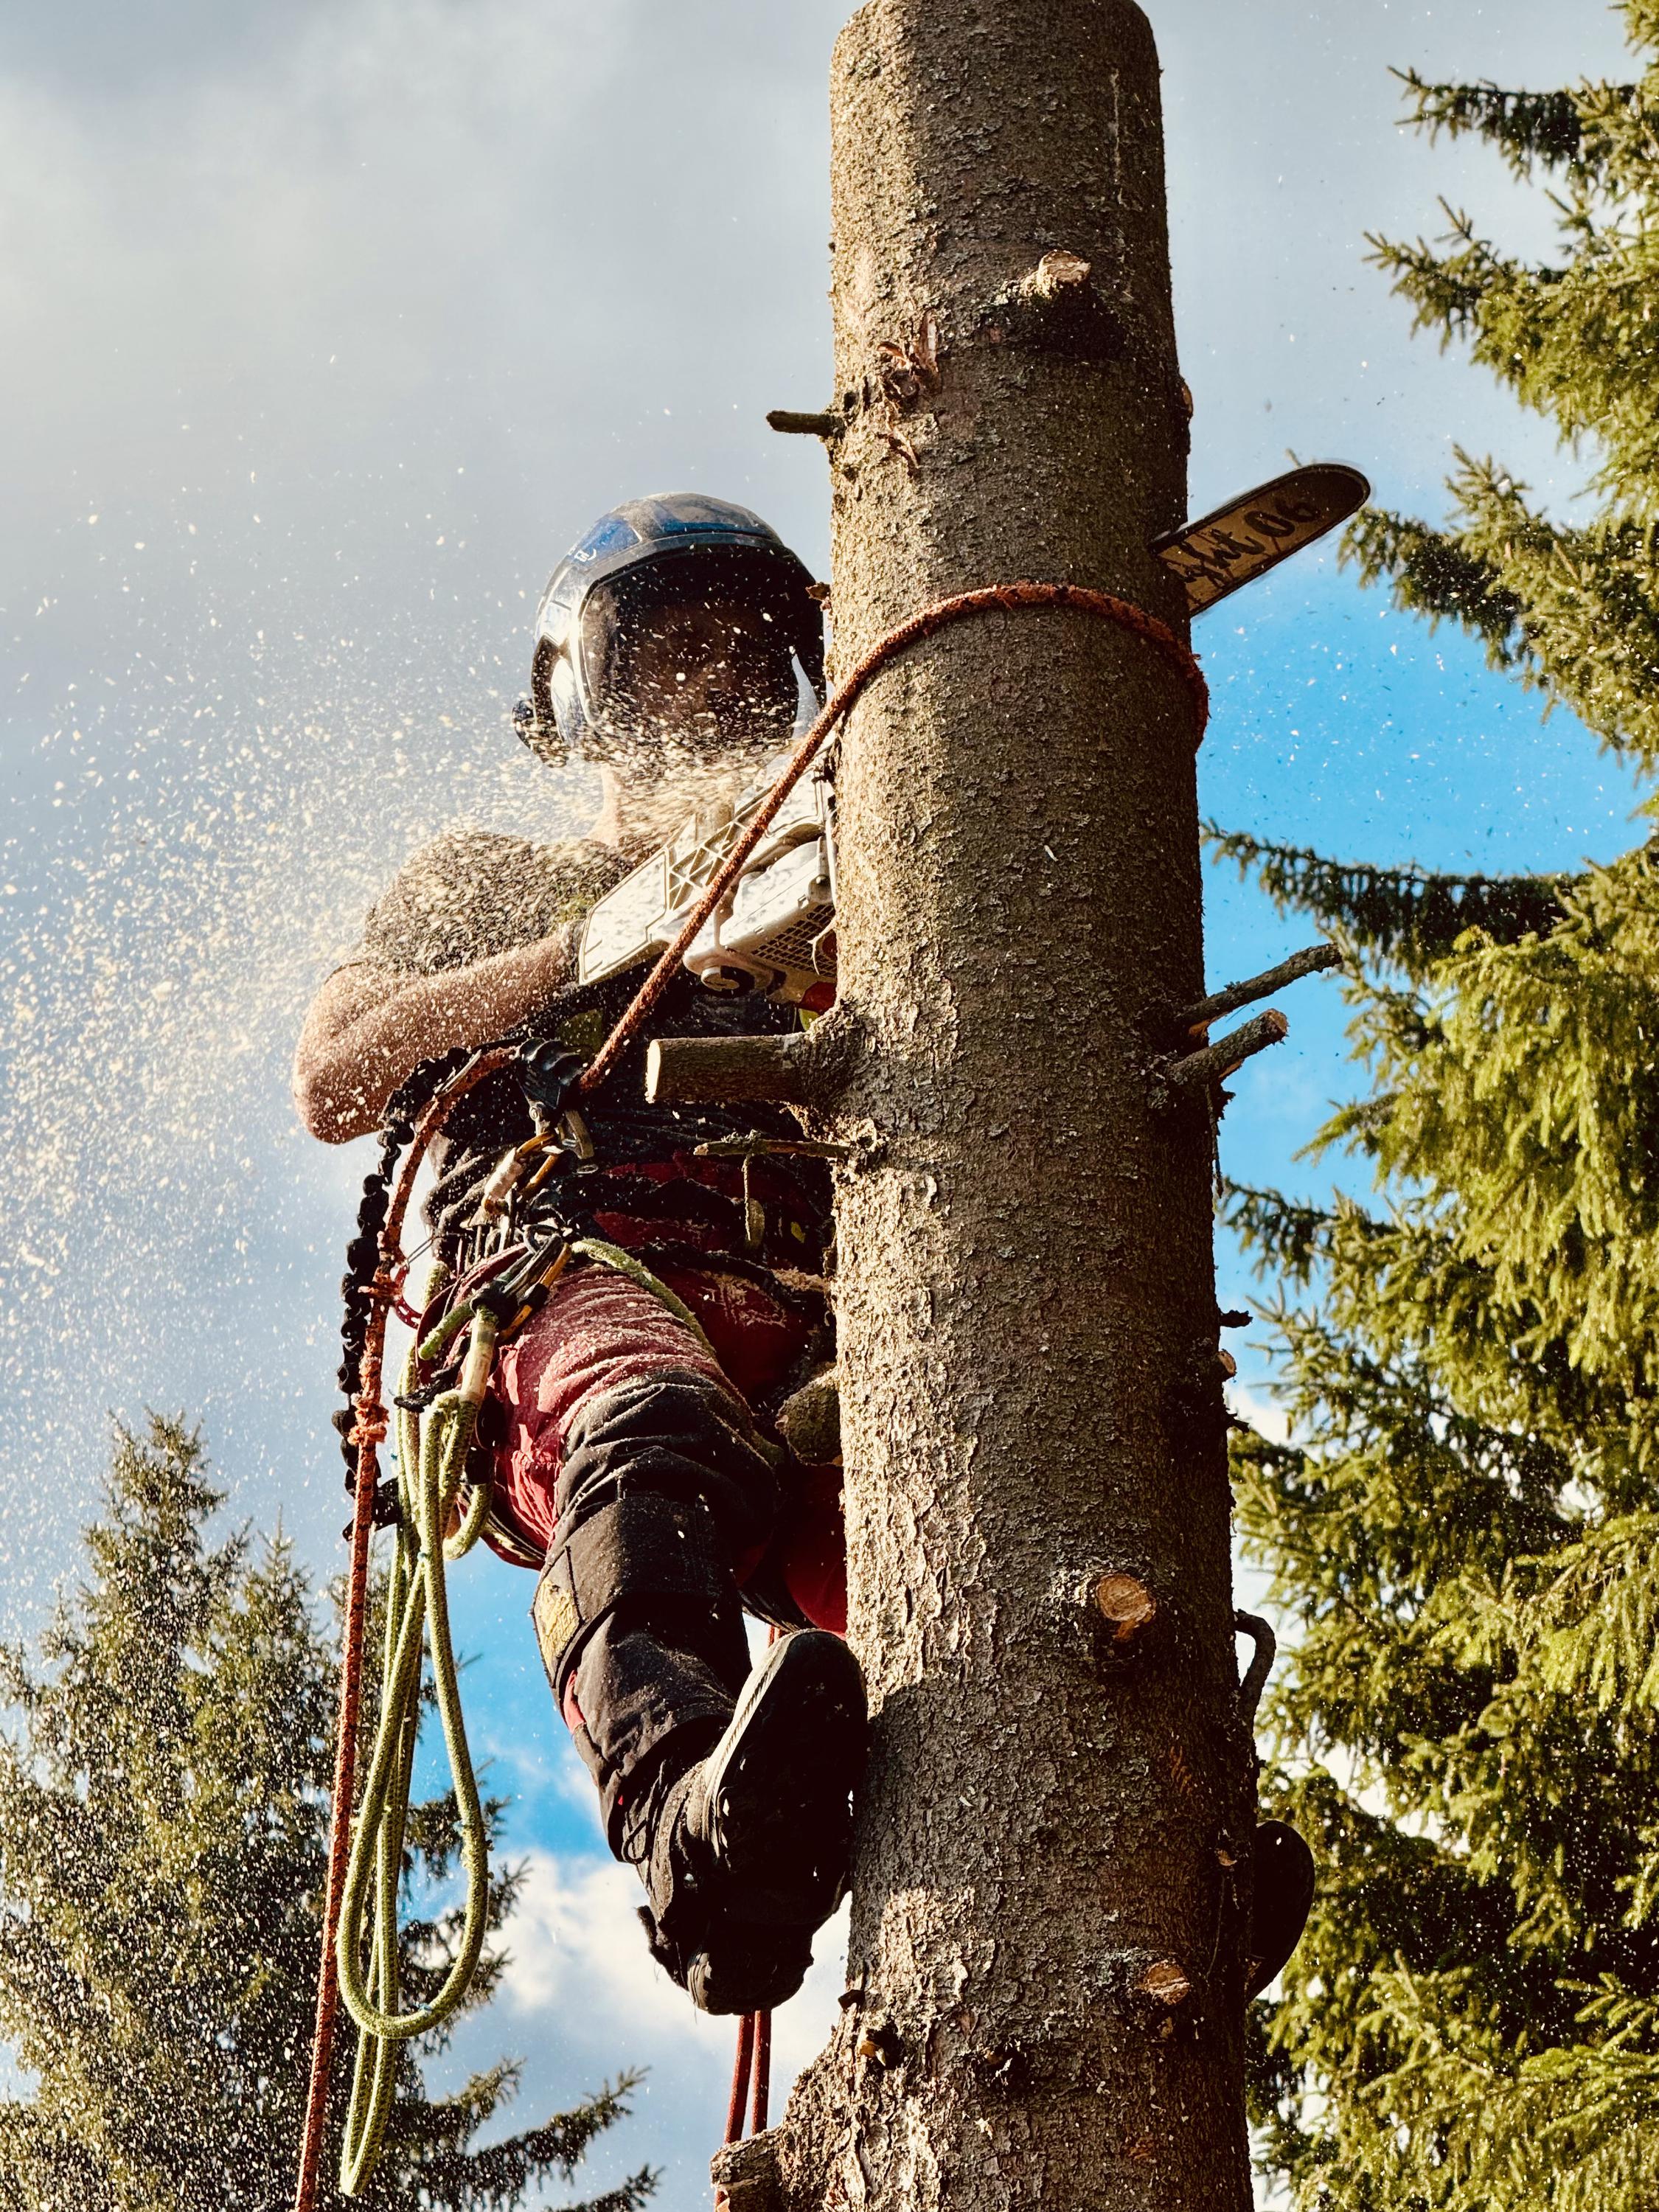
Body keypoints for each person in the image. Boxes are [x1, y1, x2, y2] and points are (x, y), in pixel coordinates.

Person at [294, 494, 864, 2015]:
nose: (704, 689)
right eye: (661, 659)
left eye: (744, 659)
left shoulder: (835, 868)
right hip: (570, 1276)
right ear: (581, 700)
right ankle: (691, 1832)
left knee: (915, 1532)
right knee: (644, 1416)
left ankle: (1121, 1820)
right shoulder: (487, 876)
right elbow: (335, 1077)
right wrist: (592, 945)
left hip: (811, 1322)